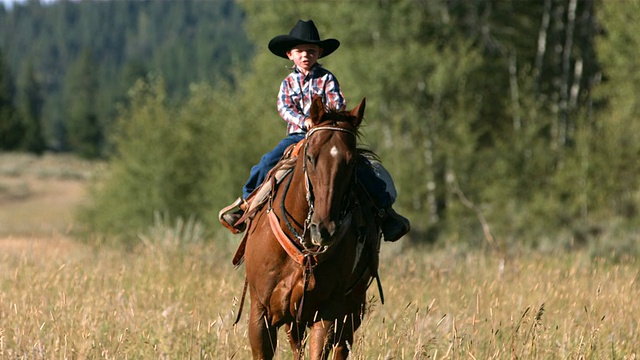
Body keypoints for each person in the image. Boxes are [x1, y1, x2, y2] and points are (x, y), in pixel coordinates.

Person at [220, 19, 410, 242]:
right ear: (290, 55)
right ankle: (246, 206)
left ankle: (385, 212)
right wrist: (304, 121)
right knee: (267, 162)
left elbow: (337, 105)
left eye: (310, 51)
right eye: (300, 51)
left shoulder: (327, 79)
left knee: (359, 166)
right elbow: (284, 107)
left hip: (328, 136)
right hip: (298, 136)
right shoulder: (288, 82)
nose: (305, 55)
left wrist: (324, 123)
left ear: (319, 53)